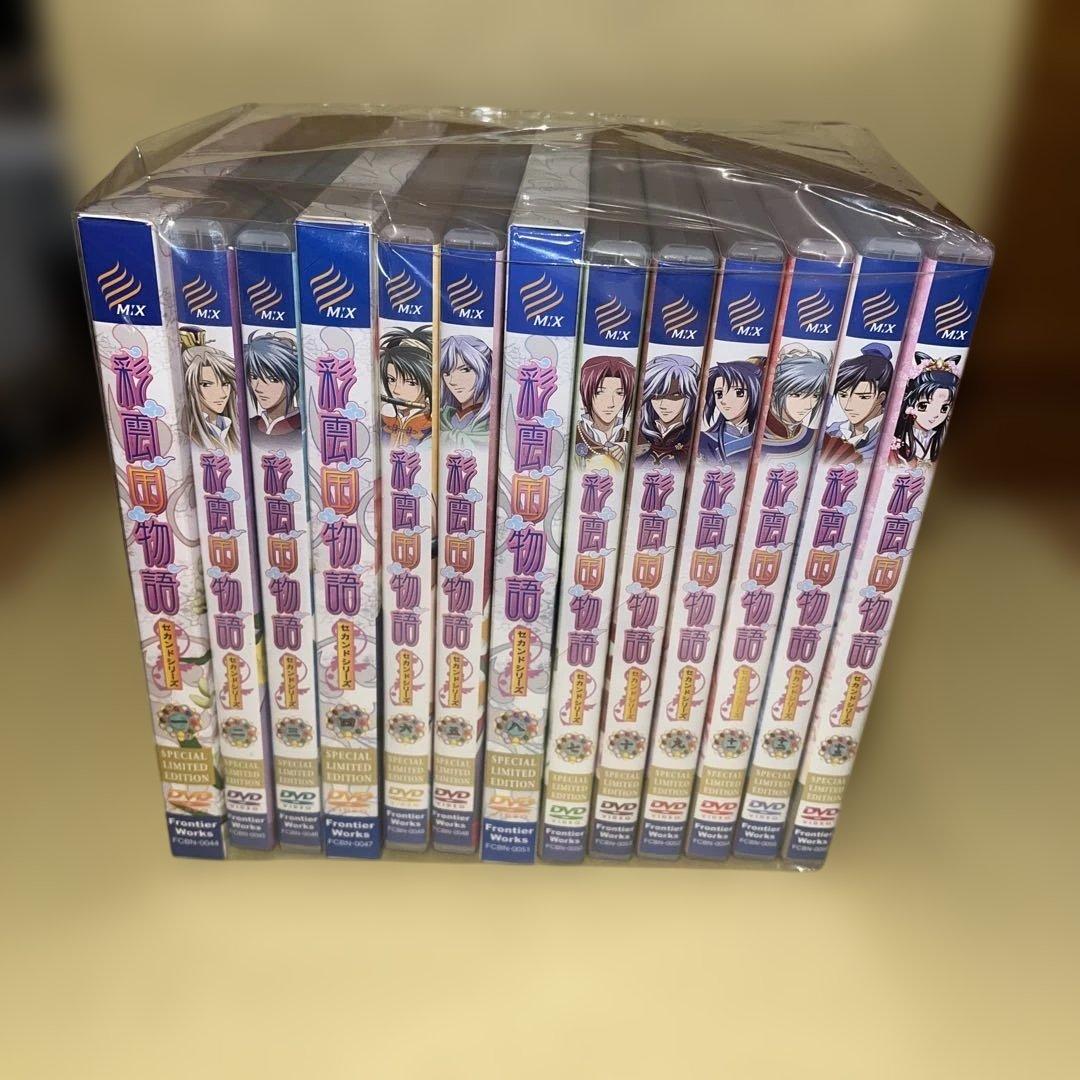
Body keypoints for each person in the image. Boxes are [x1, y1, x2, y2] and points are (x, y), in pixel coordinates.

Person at [819, 343, 893, 464]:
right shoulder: (832, 430)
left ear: (881, 397)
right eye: (843, 395)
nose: (848, 406)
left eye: (863, 397)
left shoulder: (888, 437)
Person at [891, 353, 960, 464]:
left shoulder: (939, 438)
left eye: (944, 408)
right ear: (910, 403)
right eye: (923, 406)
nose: (935, 414)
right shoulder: (897, 440)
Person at [762, 343, 830, 455]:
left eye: (815, 396)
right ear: (774, 390)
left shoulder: (817, 437)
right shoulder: (755, 431)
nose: (808, 405)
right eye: (797, 394)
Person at [180, 327, 239, 451]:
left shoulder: (230, 426)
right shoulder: (188, 433)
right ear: (190, 386)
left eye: (225, 383)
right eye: (207, 384)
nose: (222, 394)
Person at [635, 352, 698, 466]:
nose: (663, 405)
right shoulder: (638, 433)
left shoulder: (696, 438)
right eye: (656, 396)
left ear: (689, 397)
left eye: (675, 396)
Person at [575, 354, 636, 467]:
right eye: (600, 392)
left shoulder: (633, 440)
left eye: (619, 393)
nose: (610, 403)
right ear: (586, 392)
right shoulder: (574, 436)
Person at [699, 358, 764, 463]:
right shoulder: (706, 440)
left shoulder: (765, 438)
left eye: (739, 392)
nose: (724, 401)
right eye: (719, 394)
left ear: (755, 394)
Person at [380, 325, 433, 443]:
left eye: (411, 383)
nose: (396, 390)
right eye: (391, 380)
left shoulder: (432, 426)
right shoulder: (385, 419)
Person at [244, 331, 301, 438]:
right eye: (254, 377)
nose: (258, 387)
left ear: (293, 382)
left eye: (273, 379)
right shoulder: (249, 425)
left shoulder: (304, 427)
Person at [440, 334, 492, 438]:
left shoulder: (492, 421)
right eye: (447, 373)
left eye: (465, 370)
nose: (452, 381)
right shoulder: (443, 417)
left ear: (485, 369)